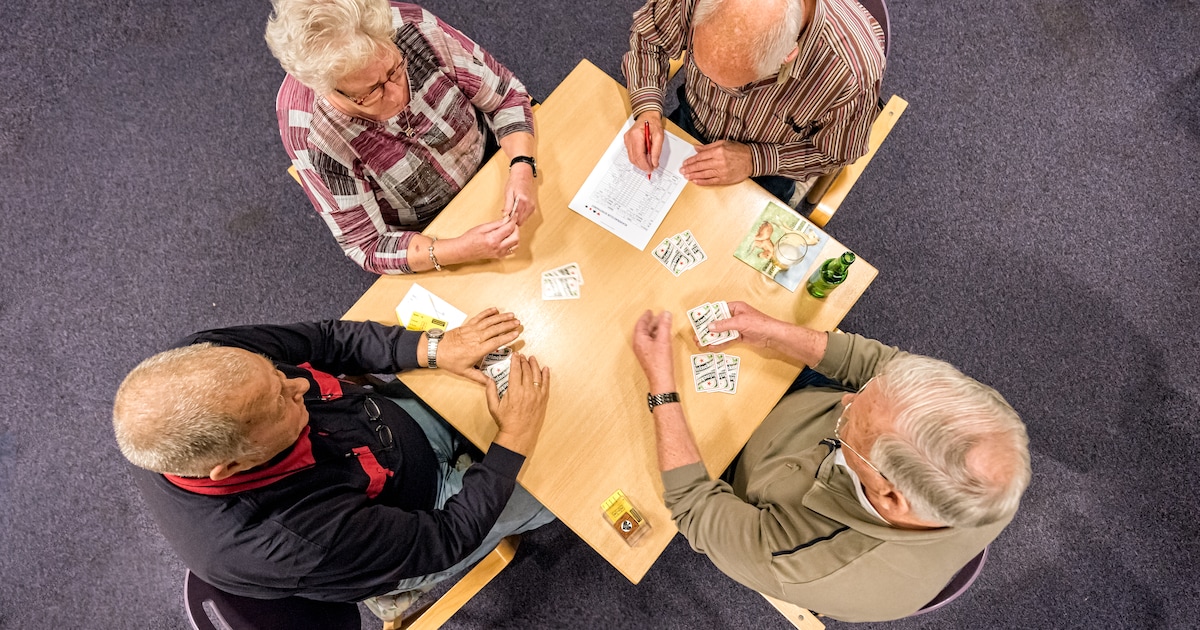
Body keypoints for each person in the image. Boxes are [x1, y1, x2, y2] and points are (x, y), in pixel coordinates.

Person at [112, 311, 554, 621]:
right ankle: (391, 588)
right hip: (419, 521)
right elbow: (446, 536)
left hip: (383, 436)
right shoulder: (290, 540)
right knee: (562, 483)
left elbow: (324, 340)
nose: (300, 384)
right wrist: (513, 438)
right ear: (230, 466)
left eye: (275, 372)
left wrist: (434, 347)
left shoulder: (206, 360)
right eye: (280, 402)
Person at [630, 303, 1031, 621]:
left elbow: (694, 504)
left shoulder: (809, 564)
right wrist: (772, 332)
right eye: (864, 393)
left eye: (849, 421)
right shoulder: (989, 430)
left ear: (889, 496)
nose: (845, 398)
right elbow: (876, 366)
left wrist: (661, 386)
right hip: (792, 418)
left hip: (735, 471)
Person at [266, 0, 539, 274]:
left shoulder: (410, 27)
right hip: (431, 229)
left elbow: (506, 96)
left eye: (395, 69)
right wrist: (457, 250)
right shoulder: (313, 134)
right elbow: (366, 245)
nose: (397, 95)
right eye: (372, 91)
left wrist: (522, 166)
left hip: (497, 158)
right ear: (328, 90)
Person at [622, 0, 886, 203]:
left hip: (768, 167)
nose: (720, 91)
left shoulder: (852, 74)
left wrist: (754, 159)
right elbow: (650, 37)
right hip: (692, 119)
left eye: (734, 82)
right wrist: (648, 110)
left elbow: (837, 152)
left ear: (788, 55)